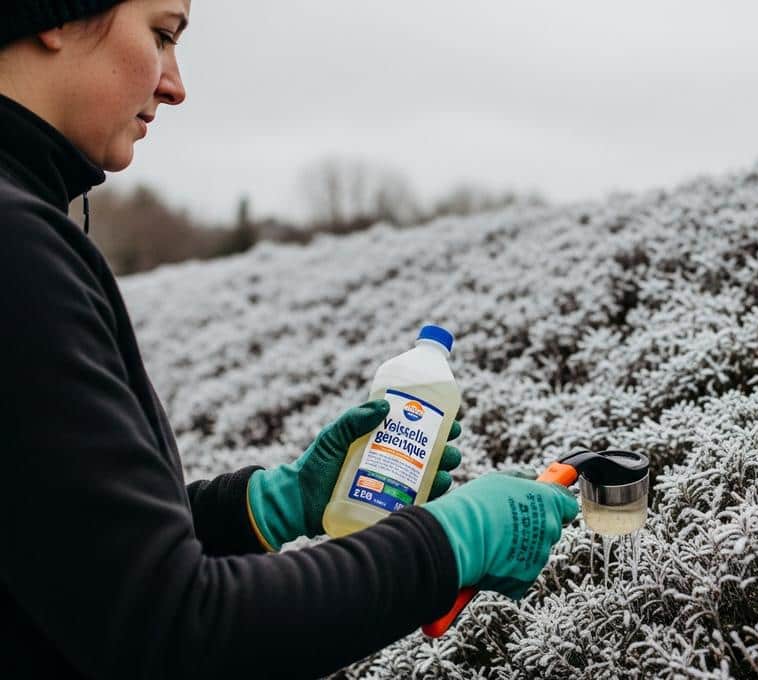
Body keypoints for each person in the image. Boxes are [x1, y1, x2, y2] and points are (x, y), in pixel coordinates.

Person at [0, 1, 580, 677]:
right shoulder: (17, 251)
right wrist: (452, 541)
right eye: (160, 34)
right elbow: (176, 632)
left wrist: (268, 507)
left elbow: (75, 563)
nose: (174, 84)